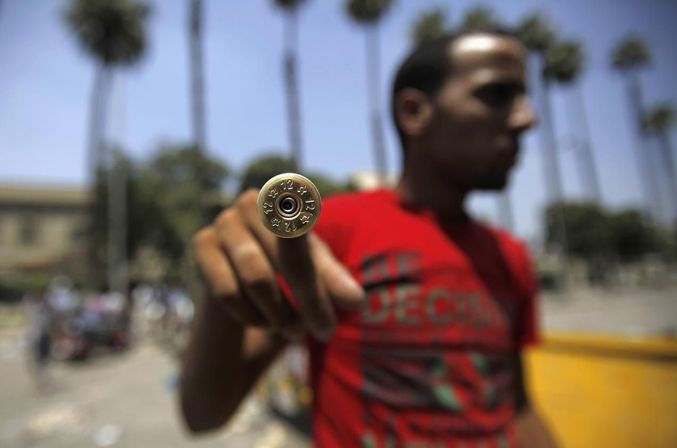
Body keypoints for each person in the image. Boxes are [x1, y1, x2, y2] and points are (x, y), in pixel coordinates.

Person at [180, 29, 558, 447]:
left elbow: (517, 406)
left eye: (523, 97)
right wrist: (222, 294)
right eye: (497, 94)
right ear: (414, 111)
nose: (527, 118)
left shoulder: (511, 256)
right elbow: (203, 414)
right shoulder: (329, 236)